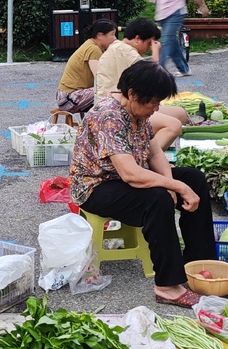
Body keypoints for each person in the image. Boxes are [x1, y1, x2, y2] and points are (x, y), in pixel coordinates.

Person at [70, 61, 214, 308]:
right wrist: (173, 188)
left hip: (125, 178)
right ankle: (167, 286)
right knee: (156, 198)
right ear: (133, 94)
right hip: (96, 186)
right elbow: (130, 175)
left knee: (193, 179)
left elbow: (155, 152)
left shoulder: (137, 111)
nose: (156, 109)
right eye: (153, 103)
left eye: (159, 103)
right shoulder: (108, 116)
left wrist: (173, 184)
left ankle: (199, 265)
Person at [93, 17, 188, 148]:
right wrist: (156, 54)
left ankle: (143, 149)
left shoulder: (118, 48)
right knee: (174, 123)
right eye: (149, 43)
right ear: (137, 38)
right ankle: (145, 156)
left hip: (113, 104)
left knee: (179, 113)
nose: (149, 48)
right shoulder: (126, 51)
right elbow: (154, 79)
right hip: (119, 109)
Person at [151, 0, 209, 79]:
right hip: (162, 13)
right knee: (172, 42)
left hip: (176, 13)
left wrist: (202, 6)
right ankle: (184, 69)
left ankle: (159, 69)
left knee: (166, 40)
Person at [55, 19, 118, 115]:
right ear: (100, 35)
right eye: (112, 34)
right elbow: (100, 77)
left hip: (69, 95)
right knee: (113, 92)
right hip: (68, 99)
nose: (115, 39)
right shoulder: (93, 49)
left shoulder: (92, 45)